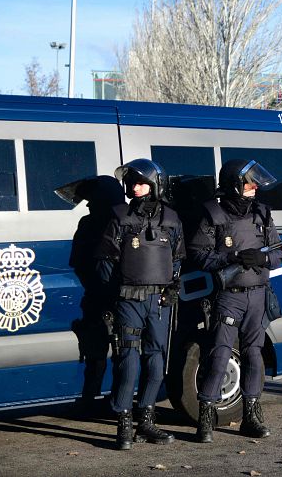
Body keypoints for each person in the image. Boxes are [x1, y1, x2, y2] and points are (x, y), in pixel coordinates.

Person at [188, 159, 282, 442]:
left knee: (254, 354)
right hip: (229, 296)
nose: (254, 188)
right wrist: (232, 257)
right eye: (249, 183)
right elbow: (198, 254)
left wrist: (261, 259)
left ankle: (251, 416)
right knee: (220, 354)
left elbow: (278, 254)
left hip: (258, 295)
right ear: (234, 184)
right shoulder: (213, 214)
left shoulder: (262, 213)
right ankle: (206, 418)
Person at [95, 159, 184, 450]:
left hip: (159, 301)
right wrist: (115, 296)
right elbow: (105, 262)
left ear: (155, 185)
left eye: (141, 183)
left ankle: (146, 421)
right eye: (132, 183)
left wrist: (173, 286)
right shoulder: (120, 216)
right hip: (129, 300)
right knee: (128, 360)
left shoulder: (171, 219)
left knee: (156, 359)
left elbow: (177, 259)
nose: (135, 187)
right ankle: (123, 424)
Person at [67, 176, 125, 416]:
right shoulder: (122, 222)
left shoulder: (97, 224)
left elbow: (78, 263)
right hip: (114, 298)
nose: (89, 204)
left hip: (103, 297)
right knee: (111, 352)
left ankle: (95, 399)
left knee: (103, 353)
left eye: (93, 200)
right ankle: (112, 400)